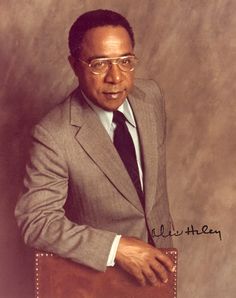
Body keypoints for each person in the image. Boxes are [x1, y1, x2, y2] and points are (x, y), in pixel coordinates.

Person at [15, 9, 175, 287]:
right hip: (101, 280)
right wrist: (116, 247)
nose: (116, 77)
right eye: (99, 64)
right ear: (75, 65)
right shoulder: (53, 134)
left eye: (125, 61)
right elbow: (37, 221)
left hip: (161, 266)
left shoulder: (151, 96)